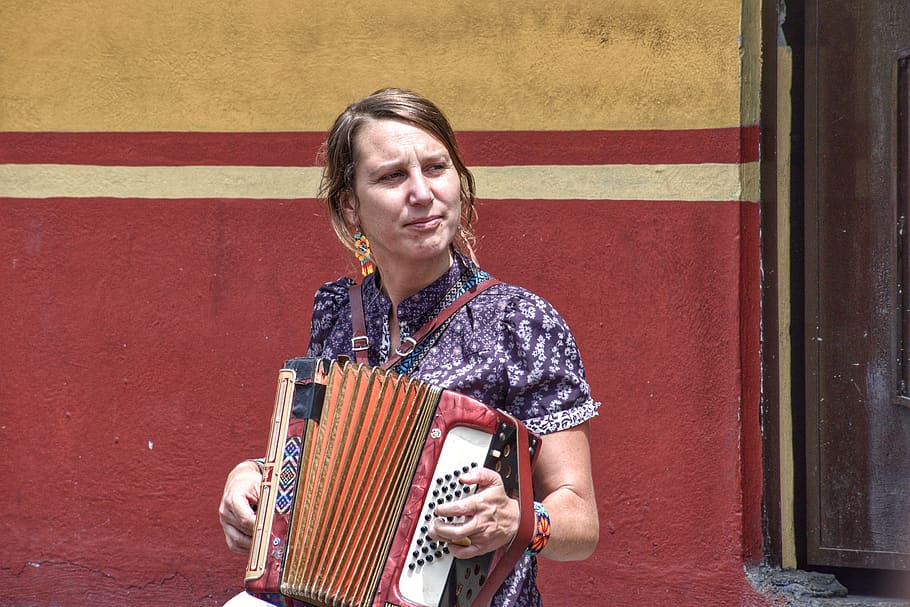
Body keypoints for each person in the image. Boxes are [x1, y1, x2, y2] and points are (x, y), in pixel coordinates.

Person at [219, 88, 600, 607]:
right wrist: (254, 476)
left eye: (436, 168)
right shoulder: (336, 309)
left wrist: (518, 520)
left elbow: (581, 522)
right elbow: (315, 460)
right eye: (392, 176)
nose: (421, 193)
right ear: (350, 206)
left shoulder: (520, 322)